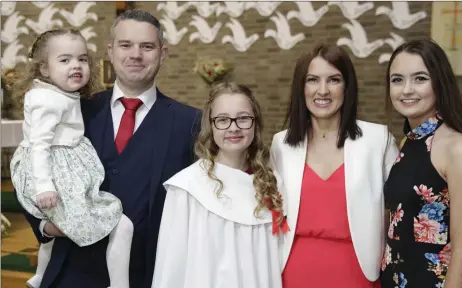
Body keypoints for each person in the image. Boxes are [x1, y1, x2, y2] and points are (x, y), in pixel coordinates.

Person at [19, 10, 201, 288]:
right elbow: (30, 162)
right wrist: (45, 226)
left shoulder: (190, 122)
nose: (135, 54)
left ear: (163, 54)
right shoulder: (73, 109)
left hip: (148, 275)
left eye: (147, 46)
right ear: (111, 51)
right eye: (126, 45)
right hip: (70, 272)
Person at [9, 28, 133, 288]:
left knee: (63, 220)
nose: (76, 65)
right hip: (53, 173)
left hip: (63, 168)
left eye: (82, 59)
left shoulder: (59, 94)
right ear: (44, 69)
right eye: (64, 60)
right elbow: (39, 145)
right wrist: (44, 186)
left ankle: (40, 274)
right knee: (122, 225)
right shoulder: (49, 101)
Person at [270, 43, 399, 287]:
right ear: (301, 87)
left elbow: (402, 210)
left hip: (358, 270)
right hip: (294, 270)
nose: (323, 90)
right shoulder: (281, 145)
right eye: (313, 80)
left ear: (347, 86)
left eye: (334, 80)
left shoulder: (378, 141)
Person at [151, 81, 289, 288]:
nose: (234, 128)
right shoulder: (187, 187)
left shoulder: (272, 182)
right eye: (223, 119)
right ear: (211, 125)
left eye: (243, 118)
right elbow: (171, 268)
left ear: (255, 123)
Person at [381, 38, 462, 288]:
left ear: (439, 83)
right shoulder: (407, 142)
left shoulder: (457, 148)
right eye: (397, 79)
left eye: (420, 78)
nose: (407, 90)